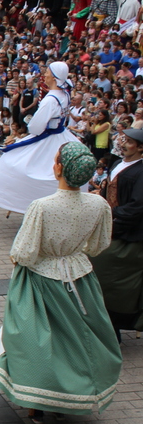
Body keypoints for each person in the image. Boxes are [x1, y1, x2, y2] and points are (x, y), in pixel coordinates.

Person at [0, 142, 119, 423]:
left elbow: (24, 253)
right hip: (80, 277)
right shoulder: (98, 204)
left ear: (59, 169)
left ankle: (38, 399)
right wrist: (73, 252)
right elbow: (98, 245)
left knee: (36, 339)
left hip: (42, 279)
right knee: (77, 337)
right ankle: (70, 394)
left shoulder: (42, 206)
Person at [0, 62, 81, 215]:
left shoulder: (51, 99)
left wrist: (31, 124)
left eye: (48, 72)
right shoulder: (65, 94)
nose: (45, 75)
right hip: (62, 136)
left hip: (49, 137)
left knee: (12, 164)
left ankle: (27, 203)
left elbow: (35, 127)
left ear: (54, 77)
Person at [89, 127, 143, 335]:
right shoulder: (118, 163)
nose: (123, 144)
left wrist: (111, 214)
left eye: (129, 142)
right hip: (109, 228)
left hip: (127, 235)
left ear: (140, 148)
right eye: (123, 139)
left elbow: (137, 207)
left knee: (111, 280)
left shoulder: (140, 172)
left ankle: (113, 328)